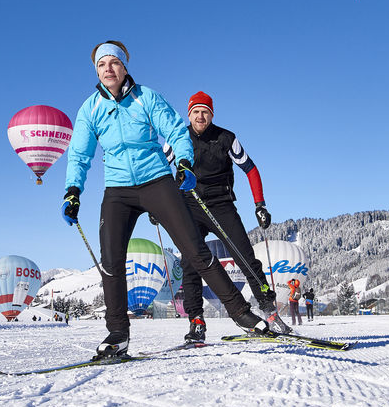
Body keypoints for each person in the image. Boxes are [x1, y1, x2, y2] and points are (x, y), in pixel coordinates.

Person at [63, 41, 268, 358]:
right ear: (96, 71)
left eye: (114, 62)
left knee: (195, 251)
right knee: (111, 262)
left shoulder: (146, 97)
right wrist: (73, 191)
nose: (108, 69)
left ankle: (241, 313)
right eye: (101, 64)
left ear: (124, 66)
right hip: (118, 189)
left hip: (156, 181)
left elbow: (174, 131)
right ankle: (118, 334)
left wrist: (184, 162)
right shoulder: (90, 109)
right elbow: (79, 154)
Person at [178, 91, 289, 342]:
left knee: (245, 257)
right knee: (190, 263)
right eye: (196, 112)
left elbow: (251, 169)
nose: (200, 116)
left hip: (221, 204)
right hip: (190, 205)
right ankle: (196, 321)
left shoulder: (226, 138)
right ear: (189, 114)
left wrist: (260, 205)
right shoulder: (179, 137)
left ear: (211, 114)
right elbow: (161, 168)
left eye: (205, 112)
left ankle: (269, 312)